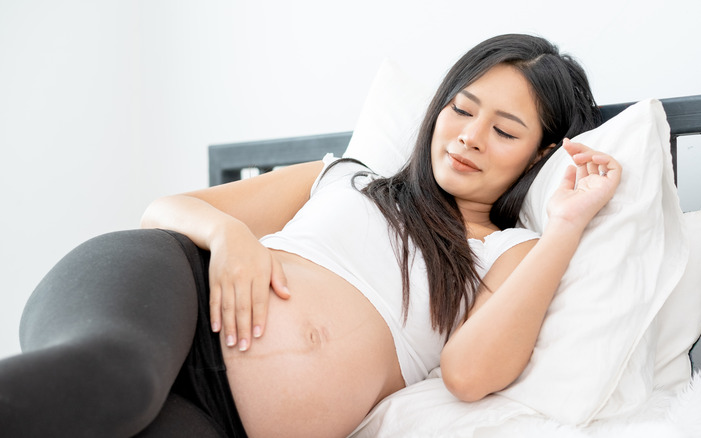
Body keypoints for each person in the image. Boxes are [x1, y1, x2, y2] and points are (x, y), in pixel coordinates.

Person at [0, 34, 621, 438]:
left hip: (222, 420)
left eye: (504, 130)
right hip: (168, 295)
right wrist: (231, 237)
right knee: (119, 384)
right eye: (461, 109)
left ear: (539, 155)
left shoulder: (506, 254)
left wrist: (566, 225)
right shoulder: (347, 178)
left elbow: (467, 374)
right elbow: (165, 208)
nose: (469, 136)